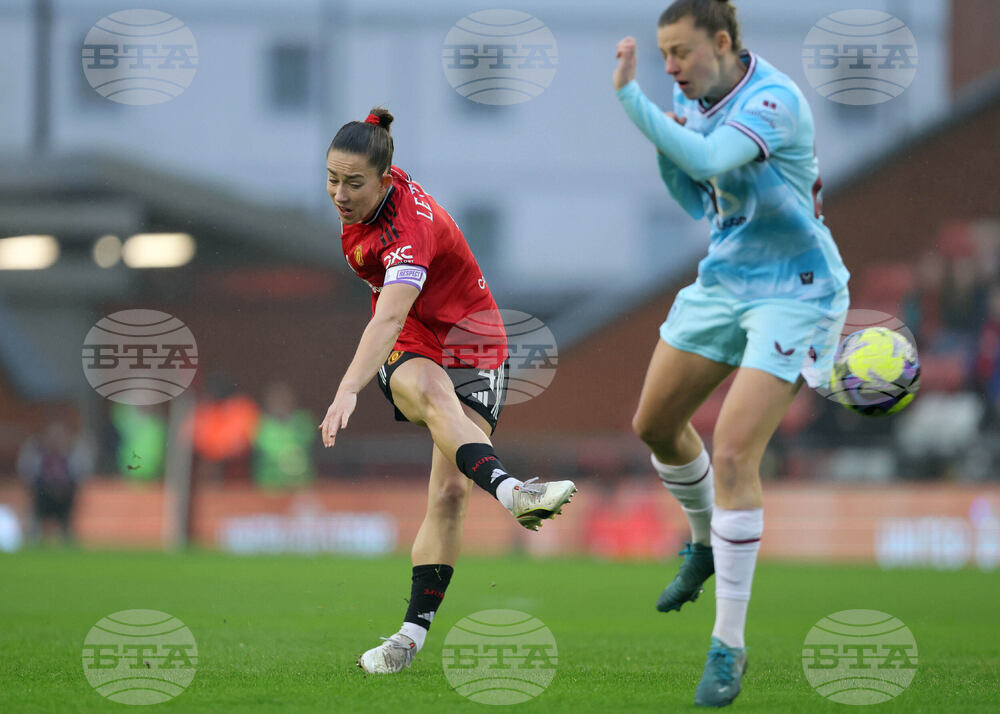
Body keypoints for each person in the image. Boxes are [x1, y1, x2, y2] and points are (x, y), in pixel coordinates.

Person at [613, 0, 850, 706]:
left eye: (681, 53)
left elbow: (712, 159)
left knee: (737, 452)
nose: (671, 68)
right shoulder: (702, 106)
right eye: (662, 58)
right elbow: (695, 196)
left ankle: (728, 648)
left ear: (722, 41)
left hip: (795, 289)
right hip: (727, 279)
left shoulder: (772, 100)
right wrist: (669, 145)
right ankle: (703, 543)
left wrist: (634, 102)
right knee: (653, 424)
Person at [317, 107, 577, 675]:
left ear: (385, 180)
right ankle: (514, 494)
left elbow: (384, 319)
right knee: (433, 396)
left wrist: (346, 390)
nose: (339, 193)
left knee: (450, 495)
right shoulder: (372, 193)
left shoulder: (408, 228)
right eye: (332, 179)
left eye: (354, 183)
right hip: (418, 335)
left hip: (474, 341)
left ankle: (408, 639)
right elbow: (396, 323)